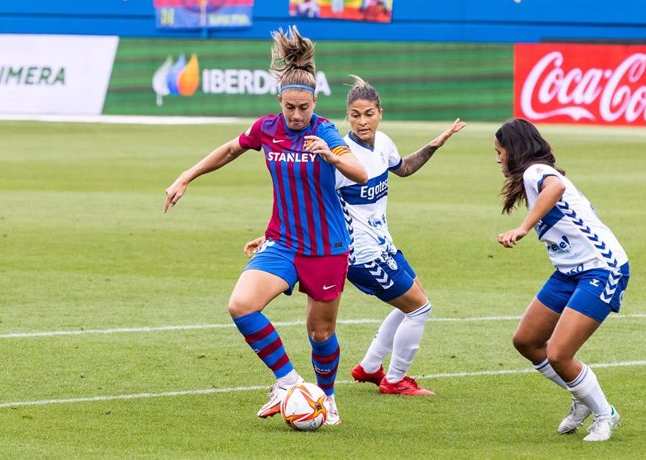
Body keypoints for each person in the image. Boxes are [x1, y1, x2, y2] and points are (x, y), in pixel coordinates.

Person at [164, 26, 367, 426]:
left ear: (314, 103)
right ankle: (289, 382)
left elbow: (358, 172)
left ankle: (326, 399)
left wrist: (332, 155)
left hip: (326, 248)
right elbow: (229, 149)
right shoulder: (267, 129)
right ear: (280, 101)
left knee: (320, 333)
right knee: (241, 305)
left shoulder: (324, 131)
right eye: (289, 107)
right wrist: (186, 175)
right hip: (283, 242)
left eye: (303, 108)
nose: (296, 115)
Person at [246, 76, 465, 396]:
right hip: (358, 252)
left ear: (380, 113)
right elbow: (309, 200)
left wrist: (435, 144)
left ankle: (370, 367)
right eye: (355, 115)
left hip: (383, 242)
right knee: (419, 308)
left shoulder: (384, 143)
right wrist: (269, 237)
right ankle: (394, 380)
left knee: (414, 300)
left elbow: (402, 168)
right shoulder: (340, 155)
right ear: (347, 116)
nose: (363, 121)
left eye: (369, 113)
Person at [494, 118, 630, 442]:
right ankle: (583, 397)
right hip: (569, 271)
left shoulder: (536, 172)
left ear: (514, 150)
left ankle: (603, 414)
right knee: (526, 341)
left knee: (558, 354)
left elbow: (556, 187)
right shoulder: (532, 174)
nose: (497, 159)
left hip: (602, 268)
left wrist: (523, 228)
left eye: (499, 152)